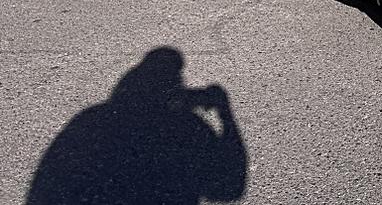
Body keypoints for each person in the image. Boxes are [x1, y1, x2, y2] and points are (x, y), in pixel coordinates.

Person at [26, 47, 246, 205]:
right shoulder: (188, 129)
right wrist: (225, 114)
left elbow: (45, 189)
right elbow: (229, 189)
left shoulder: (91, 120)